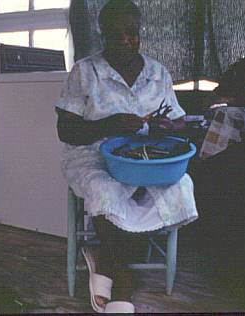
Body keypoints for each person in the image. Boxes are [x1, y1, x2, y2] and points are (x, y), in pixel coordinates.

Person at [55, 0, 198, 313]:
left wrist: (165, 126)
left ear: (140, 32)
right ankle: (122, 276)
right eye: (116, 34)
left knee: (179, 184)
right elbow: (65, 131)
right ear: (102, 34)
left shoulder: (158, 72)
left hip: (143, 159)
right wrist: (109, 125)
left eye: (131, 33)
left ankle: (103, 256)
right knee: (106, 188)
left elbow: (178, 121)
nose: (125, 40)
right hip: (92, 155)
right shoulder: (85, 71)